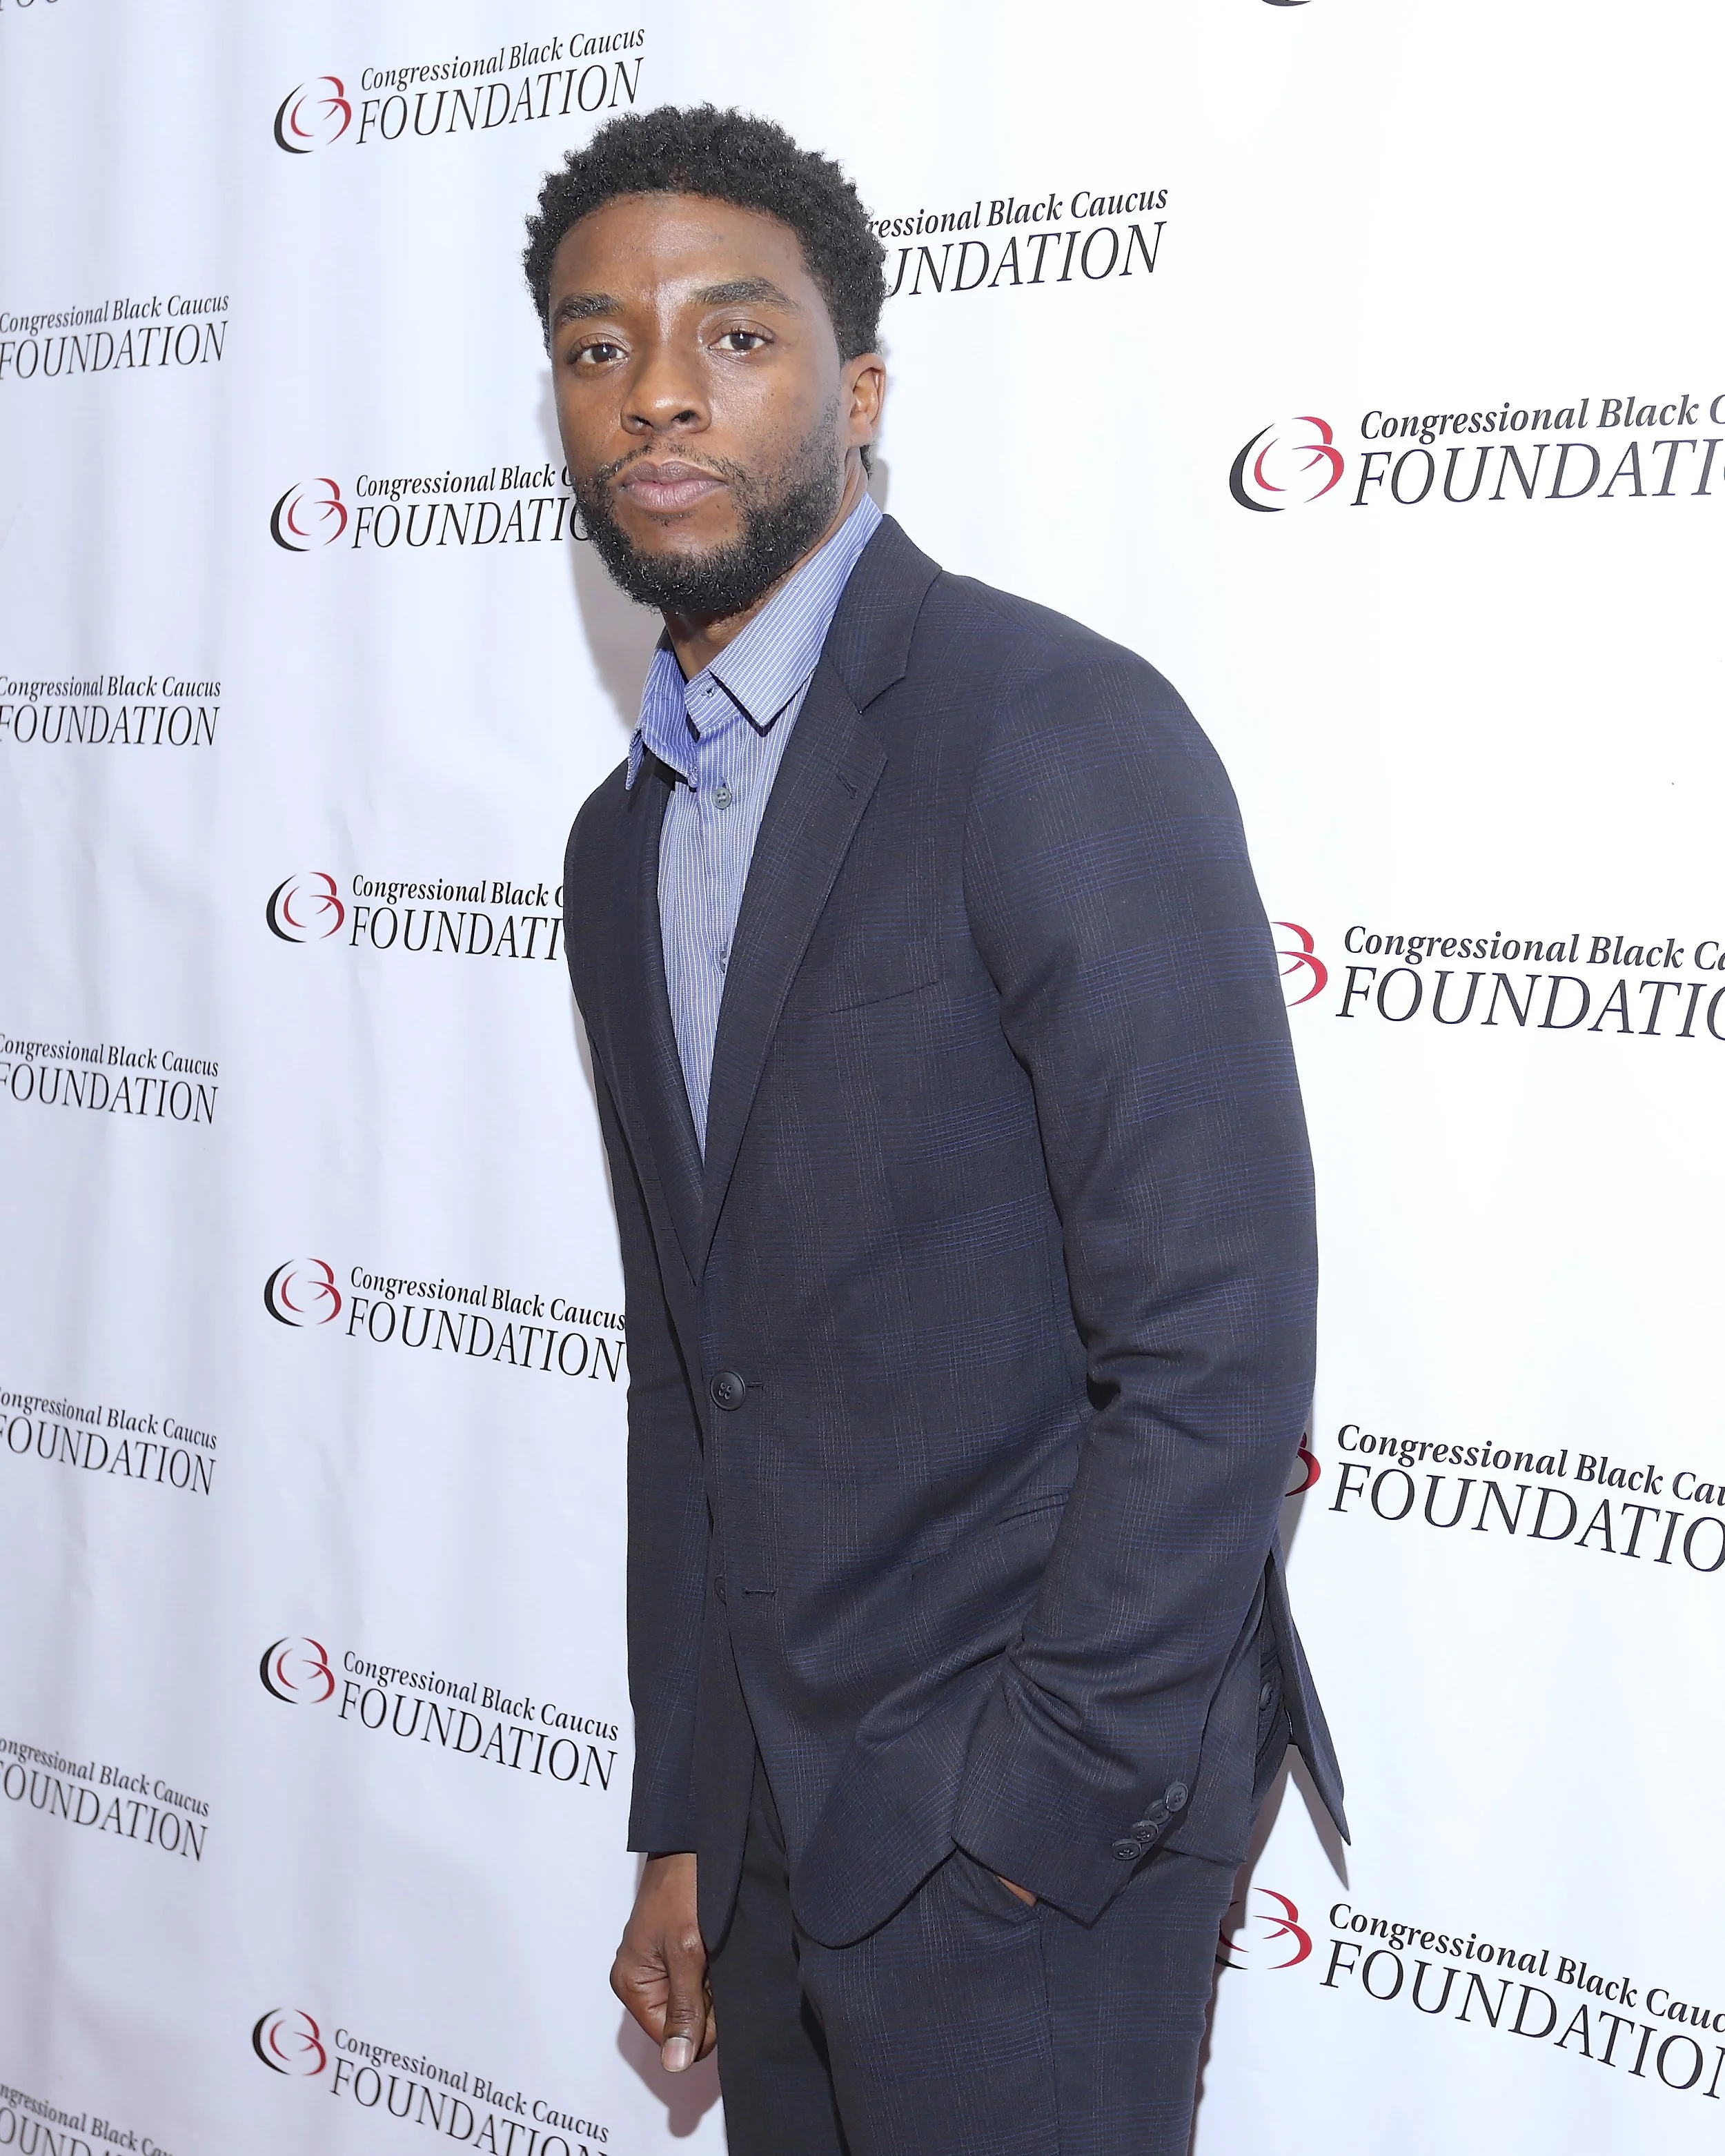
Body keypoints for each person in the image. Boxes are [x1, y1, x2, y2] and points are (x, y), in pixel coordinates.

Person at [529, 103, 1345, 2156]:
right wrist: (683, 1818)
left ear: (859, 388)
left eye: (735, 334)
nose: (658, 393)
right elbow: (687, 1384)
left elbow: (1214, 1339)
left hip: (1028, 1817)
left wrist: (1037, 1808)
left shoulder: (1045, 728)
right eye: (597, 344)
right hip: (783, 1807)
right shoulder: (618, 848)